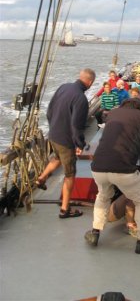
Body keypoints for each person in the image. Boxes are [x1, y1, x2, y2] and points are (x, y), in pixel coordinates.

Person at [84, 98, 140, 254]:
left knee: (103, 196)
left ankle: (95, 232)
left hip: (98, 167)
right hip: (124, 169)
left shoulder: (113, 113)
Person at [36, 68, 96, 218]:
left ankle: (41, 178)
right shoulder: (81, 99)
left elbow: (49, 111)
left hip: (53, 134)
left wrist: (53, 128)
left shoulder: (63, 87)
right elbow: (76, 126)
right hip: (65, 141)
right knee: (70, 174)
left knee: (57, 158)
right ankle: (65, 209)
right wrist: (80, 145)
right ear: (90, 82)